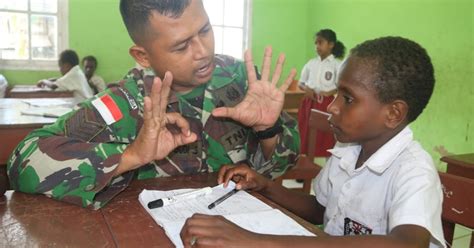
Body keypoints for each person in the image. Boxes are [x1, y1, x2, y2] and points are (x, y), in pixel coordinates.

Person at [7, 0, 299, 209]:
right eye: (182, 46)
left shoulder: (240, 78)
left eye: (206, 30)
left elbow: (284, 166)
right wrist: (131, 155)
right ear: (143, 56)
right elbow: (22, 161)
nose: (203, 51)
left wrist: (268, 130)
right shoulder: (126, 102)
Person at [180, 37, 446, 248]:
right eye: (337, 94)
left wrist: (255, 241)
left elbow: (408, 244)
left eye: (348, 99)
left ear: (393, 114)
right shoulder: (348, 151)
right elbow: (320, 210)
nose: (332, 106)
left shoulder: (414, 171)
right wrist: (265, 186)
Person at [298, 29, 345, 158]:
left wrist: (332, 91)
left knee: (325, 135)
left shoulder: (337, 65)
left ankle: (326, 166)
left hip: (327, 104)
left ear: (331, 44)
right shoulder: (311, 64)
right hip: (309, 102)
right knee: (306, 132)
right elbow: (301, 83)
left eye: (321, 43)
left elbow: (342, 86)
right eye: (316, 43)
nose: (317, 46)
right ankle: (306, 164)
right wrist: (306, 89)